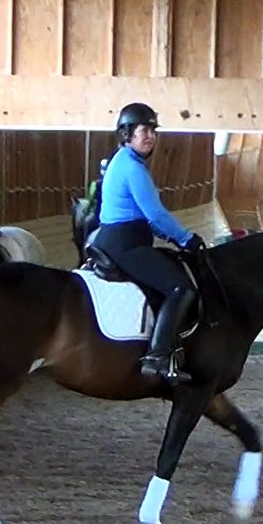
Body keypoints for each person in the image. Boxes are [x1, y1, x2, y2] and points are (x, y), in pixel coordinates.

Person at [93, 102, 205, 385]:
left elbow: (150, 217)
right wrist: (185, 238)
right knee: (182, 288)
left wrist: (170, 236)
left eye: (154, 131)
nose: (151, 136)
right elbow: (155, 213)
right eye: (144, 130)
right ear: (127, 134)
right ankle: (158, 356)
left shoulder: (126, 161)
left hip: (123, 238)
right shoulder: (132, 167)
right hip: (125, 244)